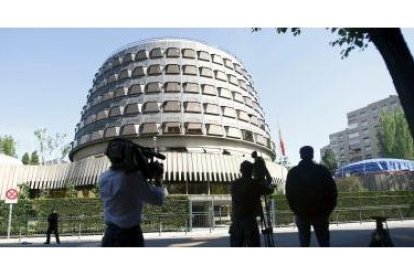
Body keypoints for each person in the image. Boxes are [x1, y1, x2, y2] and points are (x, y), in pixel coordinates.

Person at [99, 138, 167, 247]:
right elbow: (158, 200)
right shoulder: (133, 178)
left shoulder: (103, 178)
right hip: (130, 236)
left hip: (109, 235)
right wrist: (158, 178)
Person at [285, 146, 338, 247]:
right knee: (324, 242)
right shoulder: (322, 170)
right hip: (321, 213)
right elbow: (333, 192)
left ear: (300, 155)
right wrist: (327, 211)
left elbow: (289, 194)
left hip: (302, 213)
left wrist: (296, 210)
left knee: (304, 242)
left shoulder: (293, 172)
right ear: (312, 154)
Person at [230, 160, 272, 247]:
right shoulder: (254, 184)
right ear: (252, 171)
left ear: (241, 170)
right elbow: (269, 190)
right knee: (253, 244)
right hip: (250, 219)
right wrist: (265, 172)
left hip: (236, 219)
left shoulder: (234, 184)